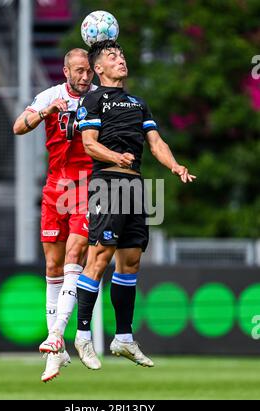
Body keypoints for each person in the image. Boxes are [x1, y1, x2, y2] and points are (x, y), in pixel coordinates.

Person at [68, 40, 195, 370]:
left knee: (132, 260)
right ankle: (82, 336)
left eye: (122, 55)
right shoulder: (93, 99)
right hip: (108, 183)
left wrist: (175, 165)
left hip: (135, 185)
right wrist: (115, 156)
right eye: (113, 57)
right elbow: (89, 144)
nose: (121, 60)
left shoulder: (139, 103)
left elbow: (156, 142)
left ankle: (123, 338)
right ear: (99, 69)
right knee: (99, 257)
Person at [13, 48, 95, 382]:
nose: (84, 76)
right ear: (65, 71)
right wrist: (47, 110)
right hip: (54, 189)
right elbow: (19, 126)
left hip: (88, 188)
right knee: (52, 266)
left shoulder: (99, 99)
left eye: (88, 70)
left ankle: (58, 332)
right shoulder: (50, 96)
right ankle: (56, 351)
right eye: (78, 70)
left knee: (75, 254)